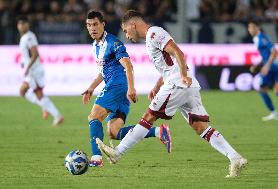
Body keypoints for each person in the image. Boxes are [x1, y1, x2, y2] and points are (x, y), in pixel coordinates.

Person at [96, 10, 247, 178]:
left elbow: (178, 52)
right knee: (200, 126)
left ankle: (118, 152)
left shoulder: (154, 33)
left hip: (178, 84)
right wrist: (157, 85)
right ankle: (235, 157)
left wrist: (182, 75)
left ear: (133, 24)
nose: (126, 34)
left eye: (125, 30)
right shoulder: (150, 38)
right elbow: (169, 65)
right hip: (184, 84)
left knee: (148, 117)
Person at [82, 10, 172, 167]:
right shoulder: (95, 46)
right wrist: (90, 88)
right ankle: (158, 132)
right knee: (113, 132)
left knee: (94, 117)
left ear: (103, 25)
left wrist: (131, 88)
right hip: (118, 89)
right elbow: (103, 72)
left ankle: (96, 158)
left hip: (118, 86)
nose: (92, 28)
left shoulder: (113, 42)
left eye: (95, 24)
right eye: (89, 25)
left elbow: (128, 64)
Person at [17, 16, 64, 126]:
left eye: (23, 24)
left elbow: (35, 54)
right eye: (19, 24)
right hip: (31, 71)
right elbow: (27, 56)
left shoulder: (29, 37)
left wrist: (28, 67)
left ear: (27, 25)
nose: (21, 26)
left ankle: (57, 115)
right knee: (23, 92)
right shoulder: (24, 38)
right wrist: (24, 63)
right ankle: (45, 107)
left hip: (34, 71)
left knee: (37, 94)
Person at [248, 21, 278, 121]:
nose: (250, 30)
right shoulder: (256, 39)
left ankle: (274, 113)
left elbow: (274, 52)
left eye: (252, 27)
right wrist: (257, 65)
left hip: (272, 67)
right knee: (273, 88)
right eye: (249, 28)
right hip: (275, 66)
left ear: (258, 27)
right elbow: (266, 55)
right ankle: (274, 111)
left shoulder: (262, 37)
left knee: (262, 89)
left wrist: (266, 66)